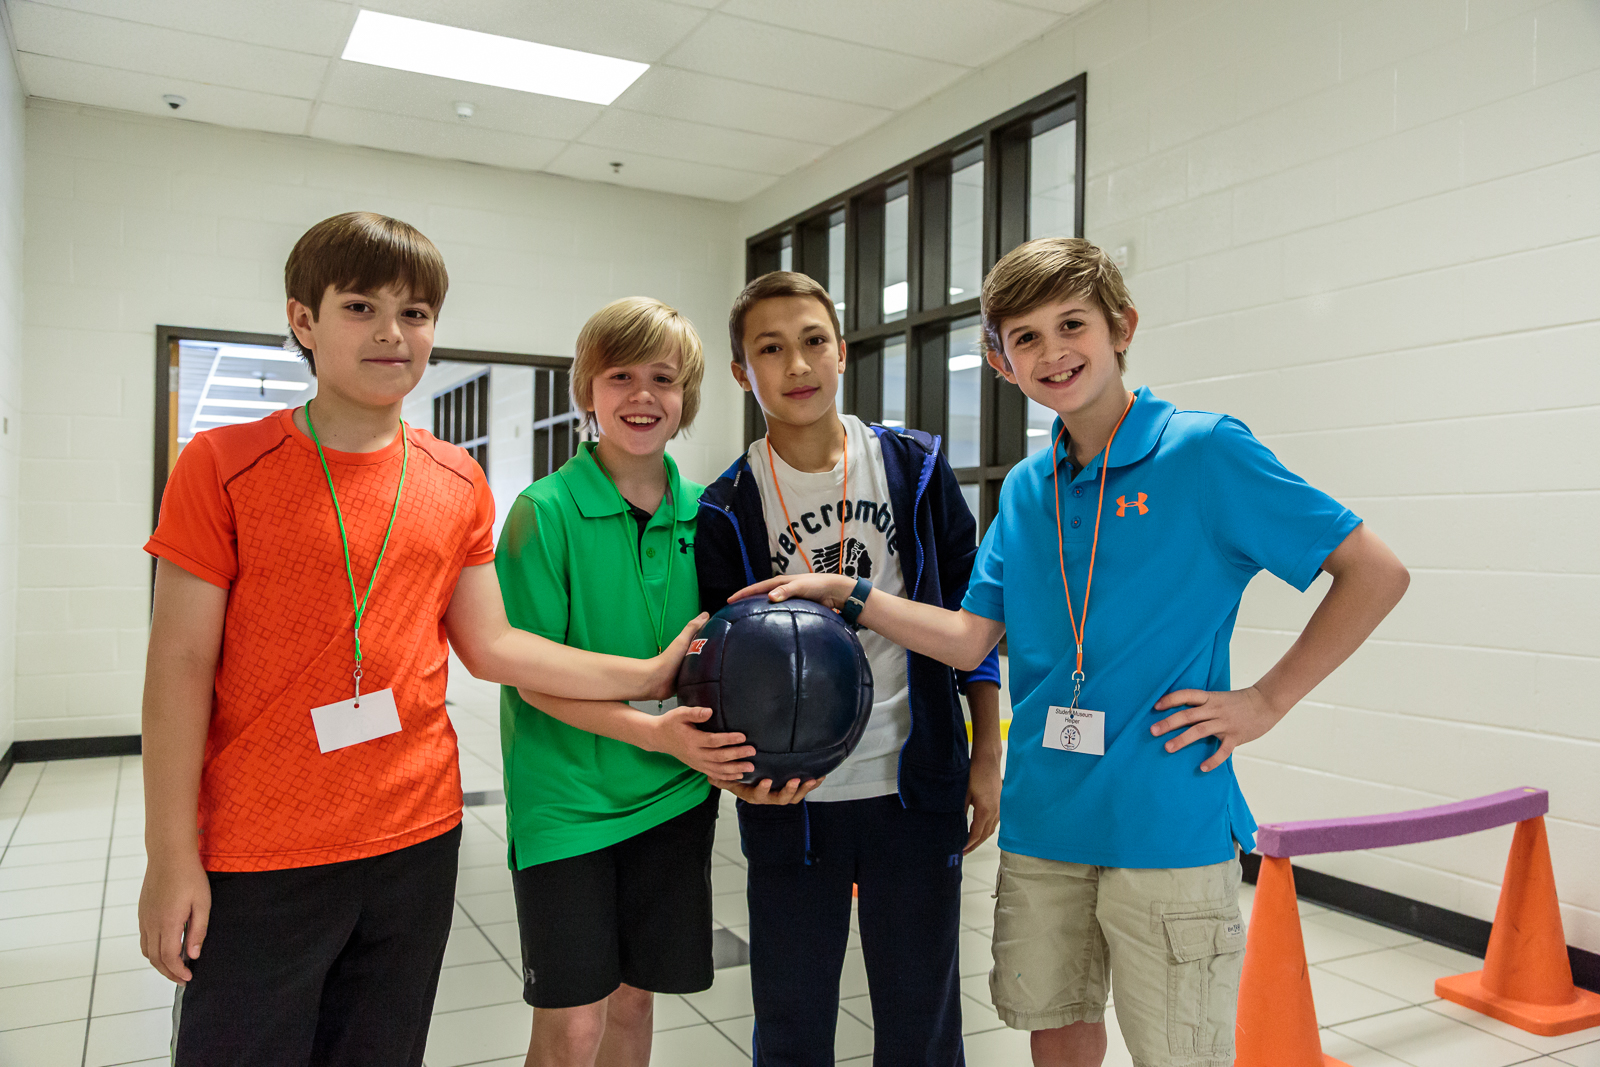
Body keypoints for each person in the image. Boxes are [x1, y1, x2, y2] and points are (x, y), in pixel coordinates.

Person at [732, 238, 1411, 1067]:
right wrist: (853, 595)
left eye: (1072, 325)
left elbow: (1374, 571)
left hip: (1166, 821)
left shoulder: (1205, 451)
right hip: (1046, 822)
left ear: (1121, 326)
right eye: (1024, 337)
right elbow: (971, 637)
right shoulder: (1026, 487)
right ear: (999, 360)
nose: (1052, 352)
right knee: (1056, 1037)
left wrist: (1265, 700)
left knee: (1176, 1052)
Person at [139, 213, 698, 1067]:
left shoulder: (455, 478)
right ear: (304, 321)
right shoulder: (221, 465)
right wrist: (169, 855)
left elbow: (495, 645)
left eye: (417, 312)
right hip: (258, 848)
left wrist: (651, 672)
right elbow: (178, 668)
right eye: (361, 307)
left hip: (414, 840)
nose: (393, 333)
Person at [696, 271, 1004, 1066]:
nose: (796, 364)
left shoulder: (916, 468)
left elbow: (975, 623)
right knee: (792, 1022)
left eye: (812, 341)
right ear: (743, 373)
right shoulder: (726, 505)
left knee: (922, 1020)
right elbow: (711, 660)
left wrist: (987, 754)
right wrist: (733, 773)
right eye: (771, 348)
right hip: (791, 798)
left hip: (916, 784)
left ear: (841, 354)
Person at [496, 297, 752, 1067]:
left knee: (634, 1003)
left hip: (672, 790)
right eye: (620, 375)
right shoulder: (543, 513)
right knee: (572, 1023)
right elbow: (530, 675)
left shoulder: (708, 514)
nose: (642, 395)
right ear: (589, 392)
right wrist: (649, 726)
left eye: (663, 378)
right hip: (566, 801)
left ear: (687, 399)